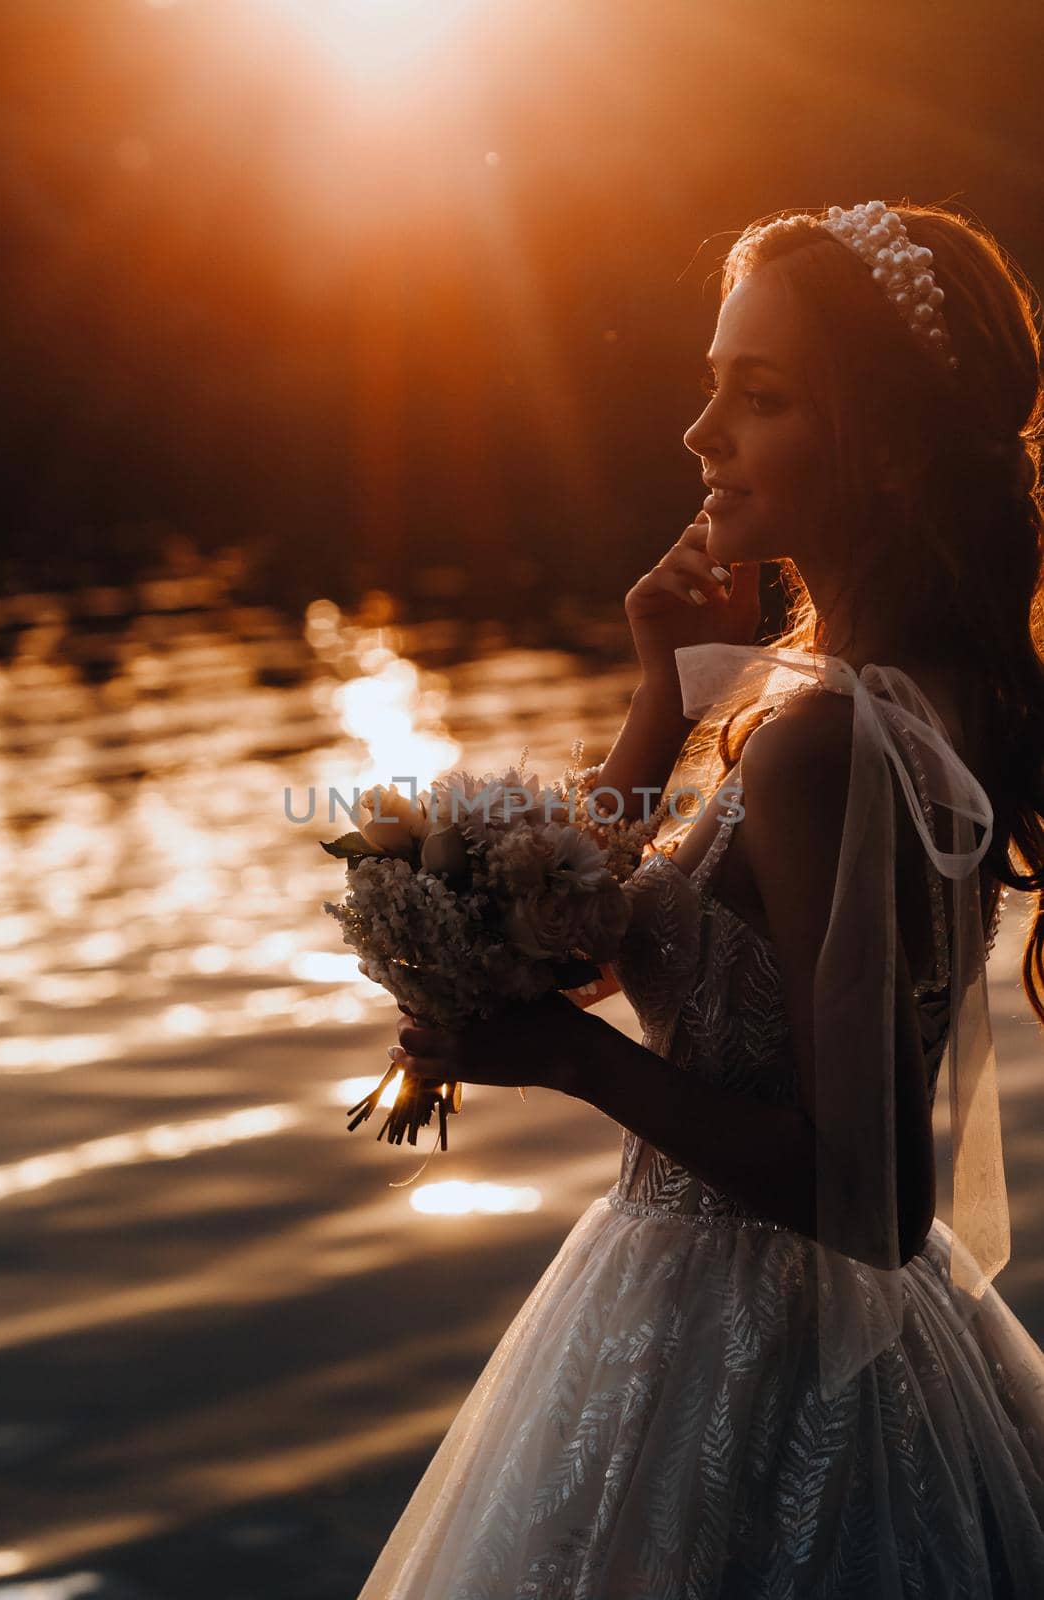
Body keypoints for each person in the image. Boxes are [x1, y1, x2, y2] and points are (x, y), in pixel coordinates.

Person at [356, 200, 1044, 1597]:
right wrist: (660, 695)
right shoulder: (886, 697)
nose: (700, 433)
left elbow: (875, 1197)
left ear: (892, 450)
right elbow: (603, 942)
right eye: (712, 381)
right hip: (840, 1332)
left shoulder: (826, 744)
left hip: (748, 1344)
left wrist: (570, 1061)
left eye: (760, 395)